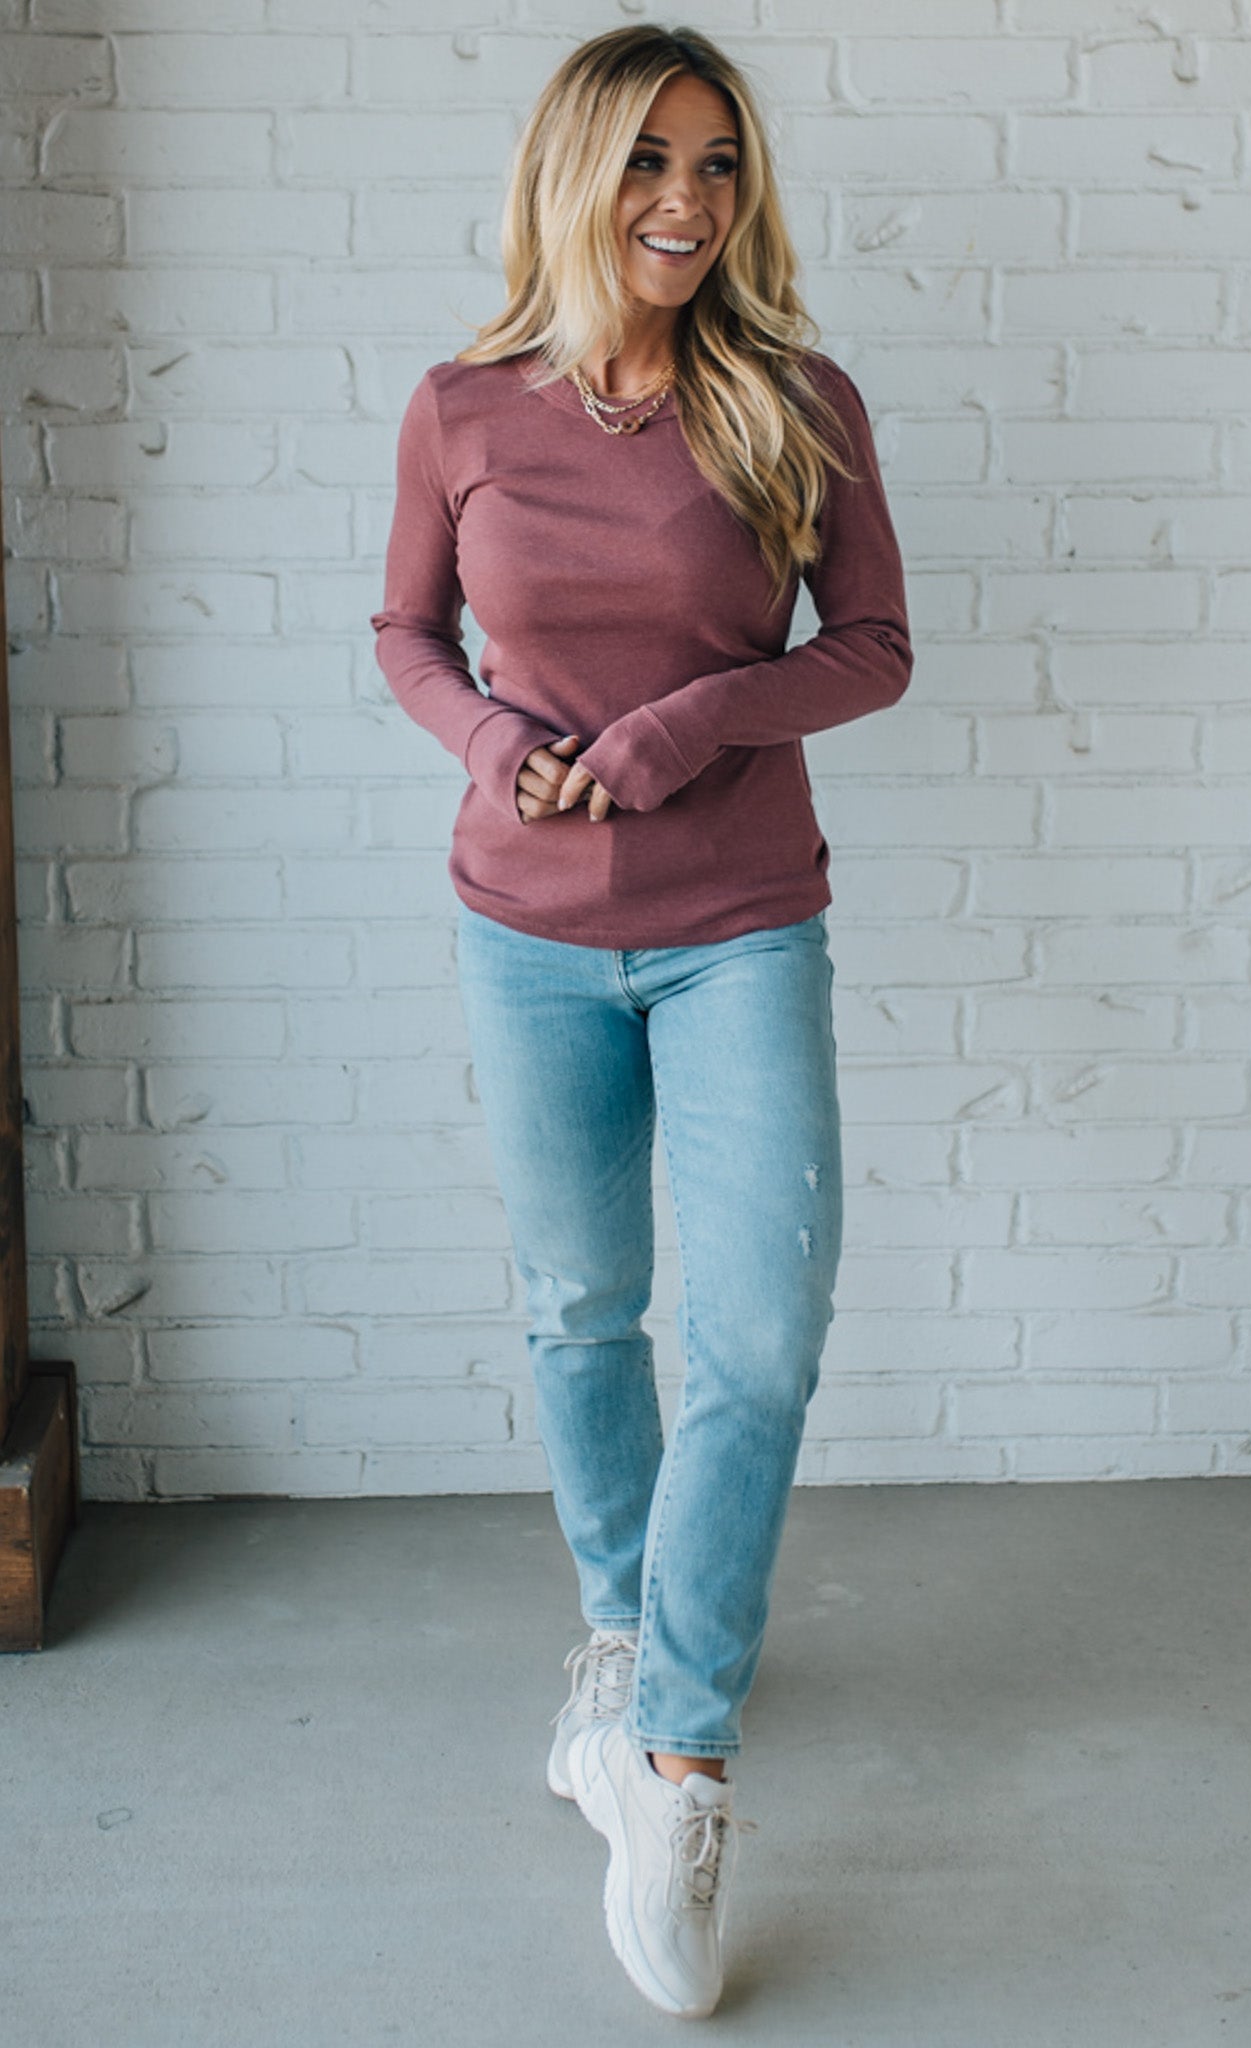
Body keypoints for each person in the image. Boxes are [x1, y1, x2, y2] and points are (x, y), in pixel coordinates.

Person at [370, 21, 912, 2021]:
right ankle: (616, 1642)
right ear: (571, 176)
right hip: (520, 926)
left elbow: (870, 645)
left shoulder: (794, 396)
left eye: (718, 164)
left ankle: (682, 1755)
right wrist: (493, 733)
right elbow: (404, 634)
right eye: (648, 163)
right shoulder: (460, 407)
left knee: (757, 1328)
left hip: (737, 920)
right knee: (582, 1306)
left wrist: (692, 717)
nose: (686, 202)